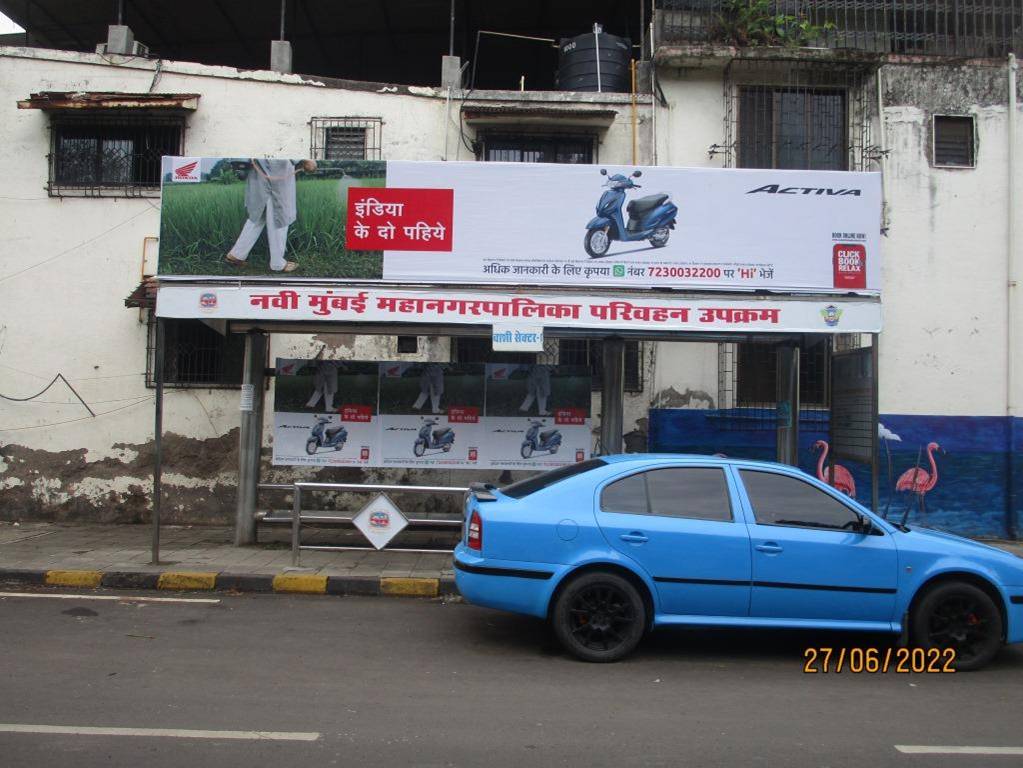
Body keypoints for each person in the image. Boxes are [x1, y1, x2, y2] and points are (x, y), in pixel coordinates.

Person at [225, 158, 316, 273]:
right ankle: (277, 263)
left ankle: (236, 255)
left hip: (260, 174)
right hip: (275, 172)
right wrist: (304, 159)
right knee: (279, 215)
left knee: (259, 215)